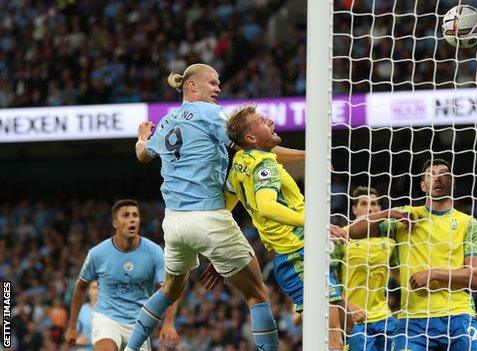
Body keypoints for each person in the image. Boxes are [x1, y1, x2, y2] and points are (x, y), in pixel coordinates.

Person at [130, 63, 303, 351]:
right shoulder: (211, 114)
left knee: (169, 290)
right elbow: (255, 148)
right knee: (257, 295)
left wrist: (142, 136)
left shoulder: (167, 122)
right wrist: (307, 154)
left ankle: (131, 348)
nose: (218, 88)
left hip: (174, 223)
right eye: (212, 82)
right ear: (192, 87)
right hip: (208, 216)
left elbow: (142, 154)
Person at [202, 105, 348, 350]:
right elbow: (267, 206)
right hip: (298, 254)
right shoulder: (262, 167)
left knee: (346, 323)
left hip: (301, 252)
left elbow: (226, 203)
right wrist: (317, 224)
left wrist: (219, 251)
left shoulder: (242, 161)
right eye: (261, 120)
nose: (270, 120)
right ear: (250, 137)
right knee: (332, 336)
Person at [347, 159, 477, 351]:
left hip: (458, 315)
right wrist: (387, 213)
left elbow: (475, 275)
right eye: (430, 174)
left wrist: (433, 275)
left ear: (452, 182)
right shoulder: (406, 217)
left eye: (443, 173)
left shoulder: (468, 223)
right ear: (423, 185)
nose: (437, 178)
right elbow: (353, 232)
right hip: (412, 321)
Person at [66, 199, 179, 351]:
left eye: (135, 215)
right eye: (125, 215)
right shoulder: (97, 253)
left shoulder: (155, 252)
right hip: (107, 318)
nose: (132, 219)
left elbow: (169, 290)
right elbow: (80, 288)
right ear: (115, 223)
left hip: (140, 323)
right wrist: (72, 327)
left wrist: (169, 323)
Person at [332, 186, 398, 350]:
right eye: (363, 203)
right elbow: (326, 279)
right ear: (354, 209)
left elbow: (400, 275)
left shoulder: (390, 242)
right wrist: (348, 305)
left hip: (385, 317)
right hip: (355, 319)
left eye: (374, 203)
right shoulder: (341, 238)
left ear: (380, 209)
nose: (370, 208)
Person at [73, 281, 98, 351]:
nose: (97, 291)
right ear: (88, 291)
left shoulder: (108, 311)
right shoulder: (81, 310)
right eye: (94, 288)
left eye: (99, 288)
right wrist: (77, 339)